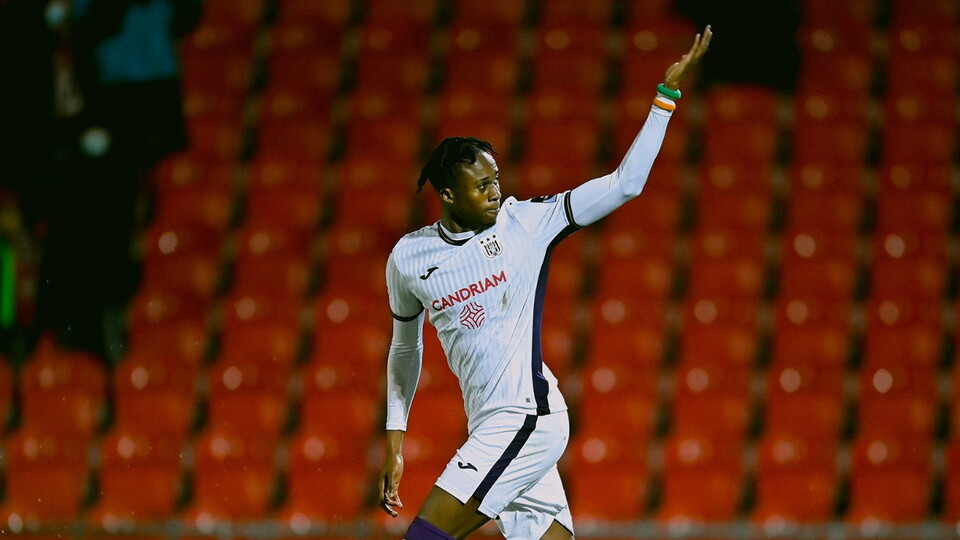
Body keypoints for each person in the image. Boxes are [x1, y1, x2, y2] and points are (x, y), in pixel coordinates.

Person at [379, 27, 713, 540]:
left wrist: (665, 96)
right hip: (491, 423)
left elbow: (625, 184)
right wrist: (395, 440)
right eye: (482, 186)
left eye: (496, 180)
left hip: (526, 418)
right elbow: (406, 348)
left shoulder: (525, 223)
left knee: (425, 537)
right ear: (447, 195)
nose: (496, 192)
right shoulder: (408, 258)